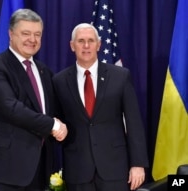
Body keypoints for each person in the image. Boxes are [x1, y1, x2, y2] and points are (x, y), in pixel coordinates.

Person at [0, 9, 67, 191]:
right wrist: (53, 126)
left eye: (37, 34)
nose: (32, 39)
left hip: (38, 168)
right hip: (3, 170)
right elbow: (11, 108)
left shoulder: (43, 71)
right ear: (10, 34)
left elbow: (54, 110)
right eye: (26, 33)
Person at [52, 23, 149, 191]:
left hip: (115, 169)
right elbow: (57, 123)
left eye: (91, 40)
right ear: (72, 45)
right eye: (81, 41)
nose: (86, 46)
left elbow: (134, 123)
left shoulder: (120, 76)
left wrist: (138, 164)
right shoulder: (59, 81)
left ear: (99, 44)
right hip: (78, 171)